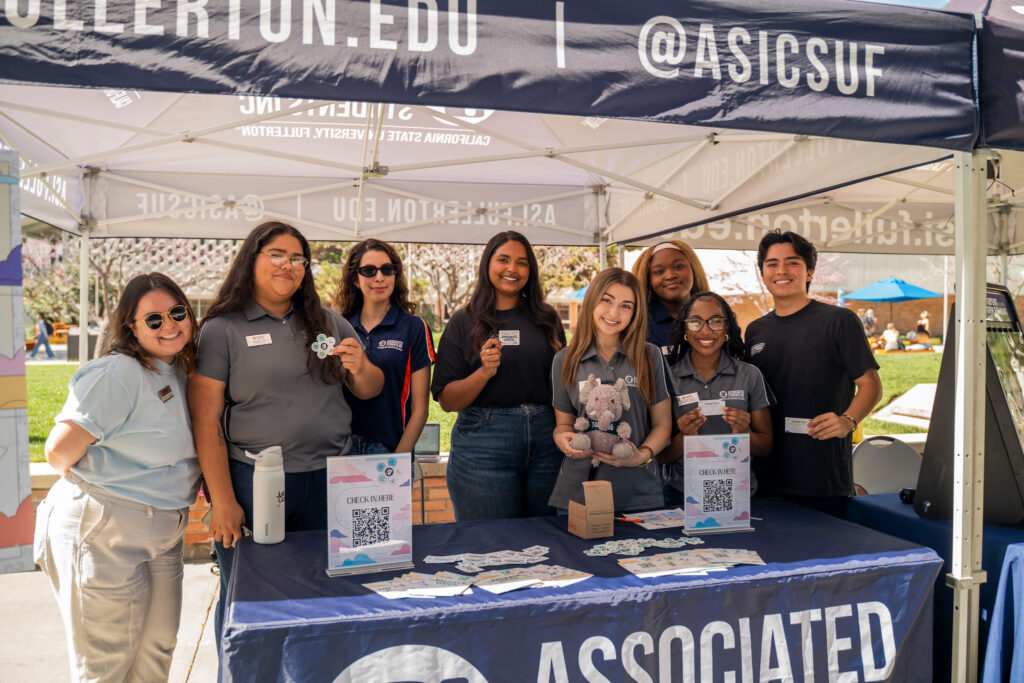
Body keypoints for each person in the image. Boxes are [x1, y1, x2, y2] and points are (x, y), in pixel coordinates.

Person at [189, 221, 383, 642]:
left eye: (298, 258)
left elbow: (370, 389)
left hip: (334, 480)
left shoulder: (327, 321)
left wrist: (362, 366)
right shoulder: (223, 329)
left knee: (328, 589)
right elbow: (205, 422)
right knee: (252, 595)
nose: (288, 265)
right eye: (276, 254)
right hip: (256, 482)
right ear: (251, 260)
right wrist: (222, 501)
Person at [33, 273, 200, 681]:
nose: (170, 325)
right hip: (105, 526)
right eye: (154, 319)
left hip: (165, 531)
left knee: (155, 655)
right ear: (131, 326)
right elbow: (57, 451)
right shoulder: (119, 373)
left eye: (177, 312)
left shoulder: (179, 368)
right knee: (105, 666)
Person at [744, 230, 882, 517]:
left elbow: (870, 385)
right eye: (772, 264)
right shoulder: (756, 330)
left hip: (822, 478)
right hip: (764, 478)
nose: (781, 271)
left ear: (809, 272)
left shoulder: (839, 321)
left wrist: (847, 421)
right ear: (763, 273)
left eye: (792, 263)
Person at [431, 230, 566, 520]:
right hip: (483, 443)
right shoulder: (462, 321)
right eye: (503, 259)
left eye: (521, 262)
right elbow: (447, 401)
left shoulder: (547, 319)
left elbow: (564, 387)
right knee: (490, 542)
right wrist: (484, 372)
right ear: (487, 264)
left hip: (547, 441)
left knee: (549, 538)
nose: (512, 269)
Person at [549, 268, 673, 513]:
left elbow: (663, 425)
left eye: (626, 305)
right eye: (607, 300)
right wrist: (561, 439)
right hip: (581, 493)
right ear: (593, 300)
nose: (614, 313)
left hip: (639, 492)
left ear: (635, 313)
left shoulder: (651, 356)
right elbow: (563, 425)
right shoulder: (565, 360)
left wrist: (642, 456)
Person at [660, 291, 773, 506]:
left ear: (727, 327)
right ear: (685, 328)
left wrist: (743, 434)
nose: (705, 330)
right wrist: (683, 437)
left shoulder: (749, 375)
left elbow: (766, 446)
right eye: (695, 322)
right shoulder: (668, 378)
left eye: (715, 322)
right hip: (681, 494)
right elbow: (659, 457)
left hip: (738, 492)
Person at [335, 239, 435, 455]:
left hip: (390, 451)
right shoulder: (339, 327)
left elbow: (420, 410)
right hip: (341, 451)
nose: (379, 277)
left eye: (387, 270)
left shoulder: (414, 327)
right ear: (354, 279)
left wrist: (399, 459)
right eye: (369, 271)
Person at [630, 240, 710, 349]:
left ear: (693, 269)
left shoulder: (715, 314)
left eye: (678, 267)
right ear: (648, 280)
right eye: (659, 272)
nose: (670, 275)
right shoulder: (640, 325)